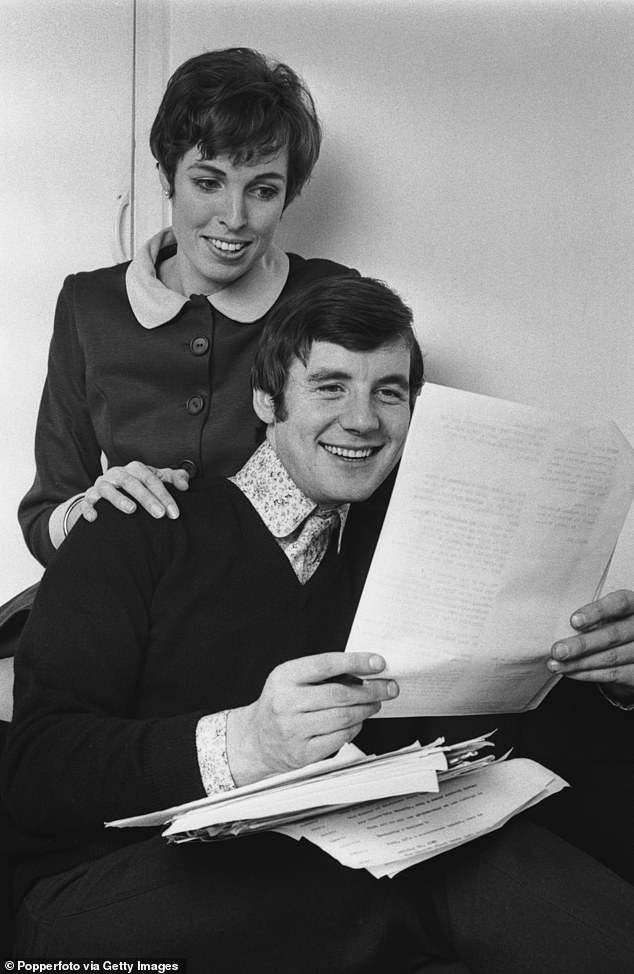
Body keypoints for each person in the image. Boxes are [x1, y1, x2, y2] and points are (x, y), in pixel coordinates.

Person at [2, 276, 634, 972]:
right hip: (107, 891)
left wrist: (612, 677)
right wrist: (245, 744)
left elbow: (505, 736)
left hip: (351, 863)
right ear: (266, 400)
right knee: (456, 864)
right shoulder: (135, 526)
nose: (363, 419)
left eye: (388, 392)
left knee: (487, 842)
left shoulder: (415, 549)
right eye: (331, 386)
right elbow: (37, 766)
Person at [17, 46, 357, 568]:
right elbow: (44, 518)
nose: (235, 217)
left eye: (263, 190)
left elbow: (377, 472)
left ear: (287, 196)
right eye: (208, 182)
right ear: (165, 175)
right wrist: (94, 508)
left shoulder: (328, 296)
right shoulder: (88, 306)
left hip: (275, 615)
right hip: (120, 595)